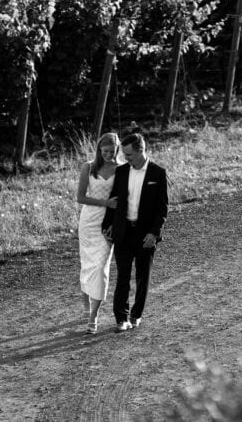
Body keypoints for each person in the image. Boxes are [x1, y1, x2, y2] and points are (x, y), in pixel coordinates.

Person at [101, 132, 168, 333]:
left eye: (129, 155)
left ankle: (136, 315)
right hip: (123, 231)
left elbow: (162, 208)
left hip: (146, 234)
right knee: (122, 276)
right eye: (124, 154)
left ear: (141, 151)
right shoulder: (121, 172)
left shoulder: (158, 173)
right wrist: (108, 224)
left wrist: (154, 233)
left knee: (142, 277)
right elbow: (114, 200)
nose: (126, 158)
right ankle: (121, 318)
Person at [76, 132, 120, 335]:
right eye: (105, 151)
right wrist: (105, 202)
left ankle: (94, 315)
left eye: (112, 151)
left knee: (101, 267)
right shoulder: (88, 167)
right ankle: (86, 302)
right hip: (88, 221)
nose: (109, 155)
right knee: (87, 264)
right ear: (99, 150)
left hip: (108, 223)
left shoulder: (121, 169)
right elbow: (80, 197)